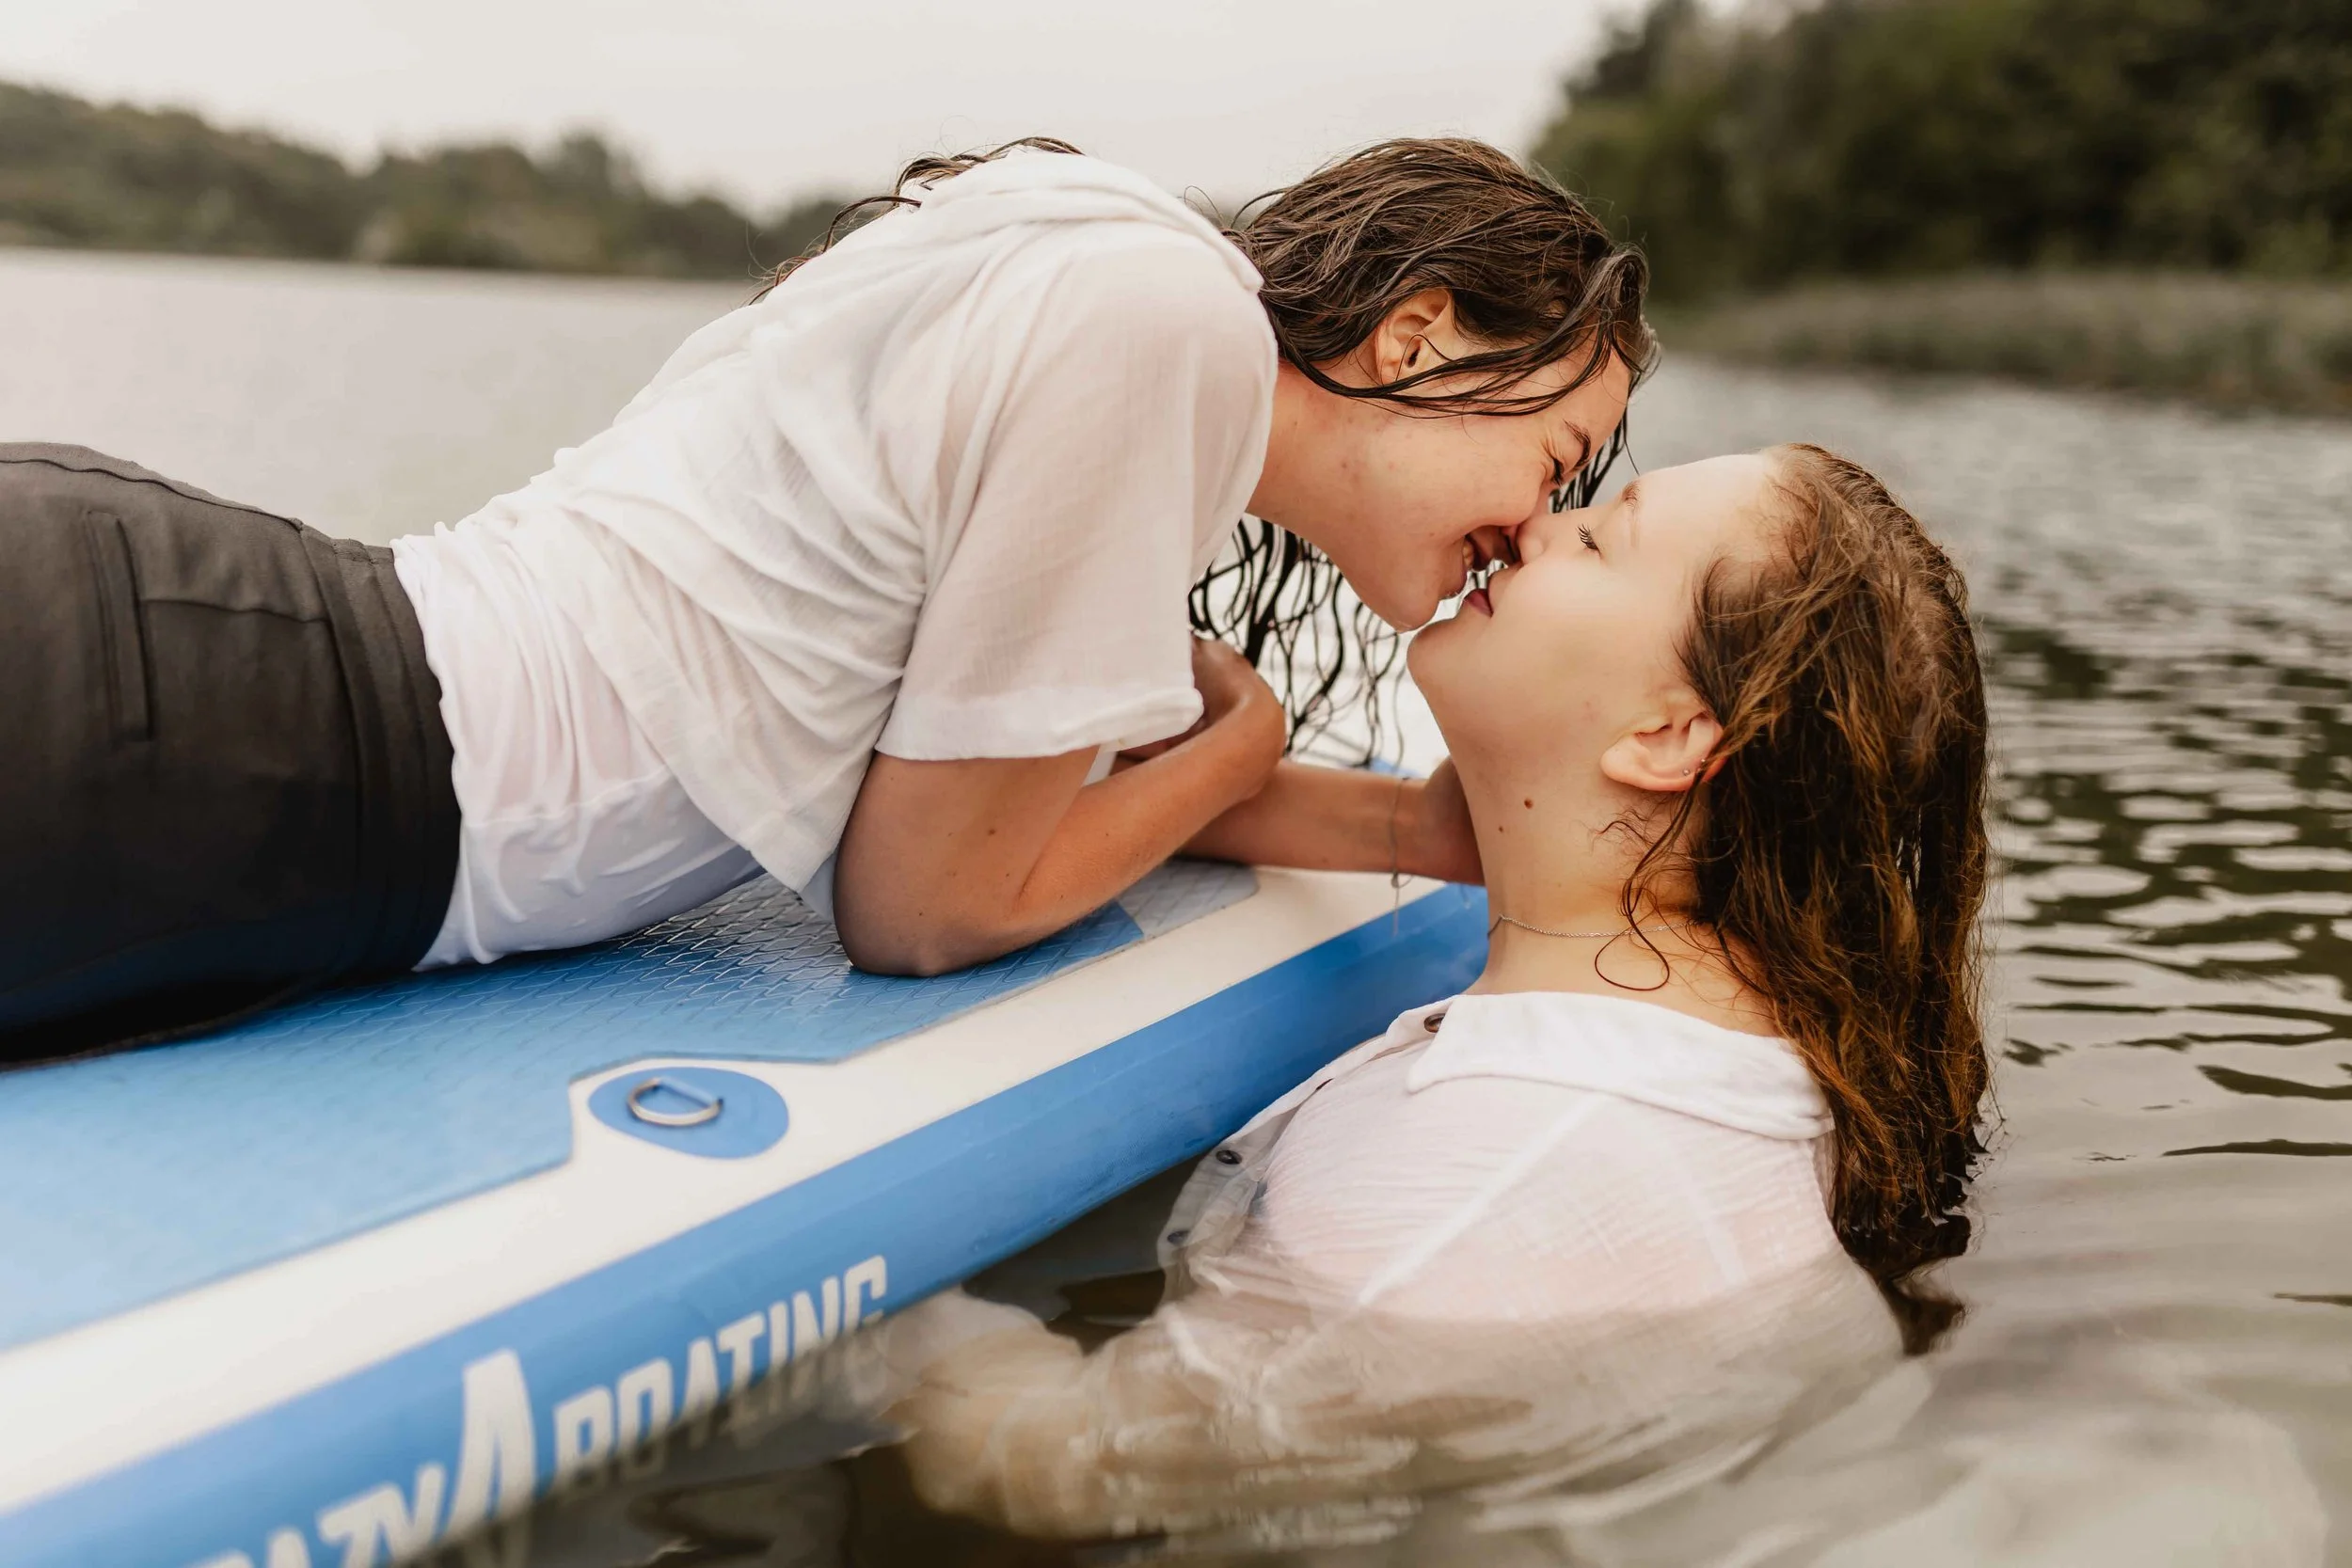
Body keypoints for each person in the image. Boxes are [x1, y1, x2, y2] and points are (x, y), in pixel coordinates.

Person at [0, 138, 1650, 1059]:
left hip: (201, 662)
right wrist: (1244, 735)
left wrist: (1420, 829)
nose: (1537, 528)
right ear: (1420, 334)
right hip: (225, 746)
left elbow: (1034, 797)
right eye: (1560, 459)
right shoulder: (1168, 333)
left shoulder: (1124, 283)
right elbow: (927, 905)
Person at [880, 445, 1994, 1541]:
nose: (1539, 524)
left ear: (1665, 735)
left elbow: (1058, 1460)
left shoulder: (1464, 1197)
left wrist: (881, 1324)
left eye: (1600, 537)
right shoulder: (1765, 1052)